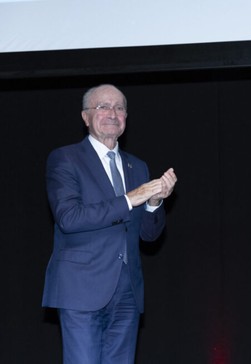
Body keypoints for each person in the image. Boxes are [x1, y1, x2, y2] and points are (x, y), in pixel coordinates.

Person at [42, 84, 177, 363]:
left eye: (119, 108)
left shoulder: (136, 166)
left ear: (126, 117)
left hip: (127, 291)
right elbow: (69, 218)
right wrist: (129, 199)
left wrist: (154, 202)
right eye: (103, 106)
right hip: (81, 288)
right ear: (85, 117)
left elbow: (149, 236)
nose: (112, 113)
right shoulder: (65, 158)